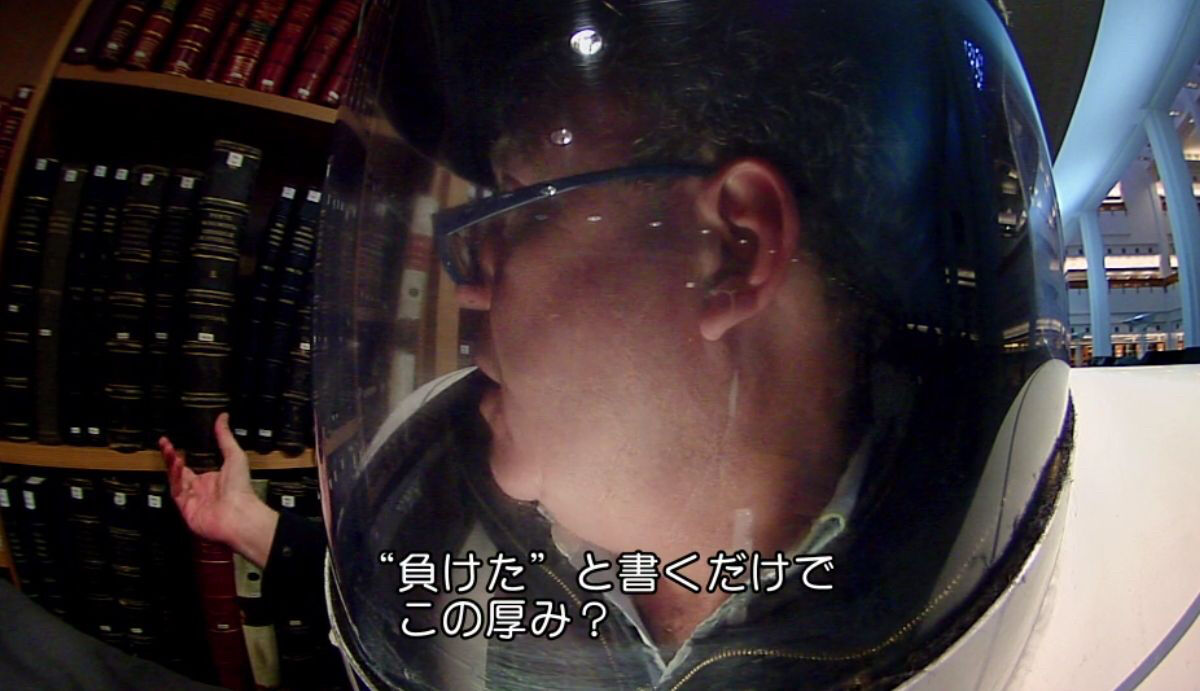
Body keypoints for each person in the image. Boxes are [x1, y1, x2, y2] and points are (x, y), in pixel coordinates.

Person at [168, 1, 1073, 688]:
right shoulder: (434, 471)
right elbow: (408, 590)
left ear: (732, 250)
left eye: (514, 211)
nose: (469, 284)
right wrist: (252, 527)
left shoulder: (958, 524)